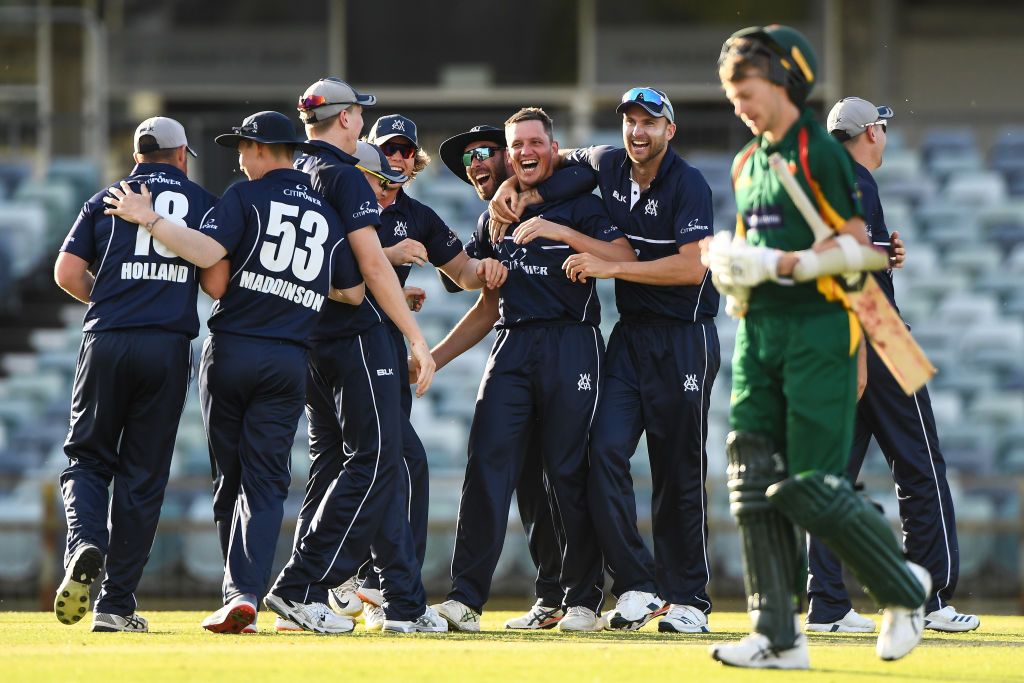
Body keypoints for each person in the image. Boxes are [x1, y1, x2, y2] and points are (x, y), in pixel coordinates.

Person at [704, 25, 931, 668]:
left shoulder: (820, 154)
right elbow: (754, 249)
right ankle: (778, 634)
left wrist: (785, 266)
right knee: (749, 475)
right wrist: (731, 270)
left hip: (819, 331)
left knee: (807, 487)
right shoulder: (747, 162)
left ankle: (901, 585)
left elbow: (859, 251)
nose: (740, 108)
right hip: (760, 334)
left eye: (746, 93)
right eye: (732, 97)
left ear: (783, 82)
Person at [104, 111, 365, 635]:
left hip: (232, 351)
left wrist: (148, 218)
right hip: (288, 360)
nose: (240, 158)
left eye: (244, 148)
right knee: (266, 483)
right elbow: (353, 292)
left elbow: (207, 256)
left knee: (231, 479)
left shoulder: (245, 195)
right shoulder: (327, 212)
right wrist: (301, 284)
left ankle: (238, 596)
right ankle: (243, 592)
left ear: (263, 149)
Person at [489, 87, 720, 634]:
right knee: (601, 454)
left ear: (670, 130)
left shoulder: (689, 183)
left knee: (677, 470)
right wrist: (509, 185)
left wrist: (610, 266)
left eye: (650, 122)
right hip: (630, 338)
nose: (638, 131)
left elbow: (692, 268)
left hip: (685, 337)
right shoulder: (607, 162)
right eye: (631, 121)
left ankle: (689, 599)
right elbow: (551, 160)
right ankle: (639, 586)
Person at [428, 107, 637, 633]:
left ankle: (582, 600)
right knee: (489, 466)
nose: (525, 152)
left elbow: (624, 255)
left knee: (566, 472)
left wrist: (561, 232)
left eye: (533, 142)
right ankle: (466, 600)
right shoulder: (492, 219)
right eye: (516, 144)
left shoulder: (580, 201)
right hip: (512, 345)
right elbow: (485, 307)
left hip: (572, 342)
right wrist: (431, 358)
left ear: (551, 148)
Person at [265, 78, 446, 635]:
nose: (363, 124)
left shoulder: (294, 172)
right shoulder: (344, 174)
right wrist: (417, 338)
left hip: (308, 339)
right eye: (359, 115)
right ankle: (304, 588)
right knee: (378, 458)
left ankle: (401, 601)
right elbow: (371, 264)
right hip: (356, 339)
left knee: (363, 462)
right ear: (345, 119)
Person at [805, 96, 979, 634]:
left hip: (833, 336)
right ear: (869, 134)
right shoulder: (858, 182)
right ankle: (926, 599)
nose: (884, 134)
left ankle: (827, 604)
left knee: (833, 476)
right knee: (921, 466)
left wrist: (886, 254)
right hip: (876, 331)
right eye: (881, 127)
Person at [331, 117, 506, 628]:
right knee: (391, 461)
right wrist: (388, 260)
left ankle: (356, 585)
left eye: (407, 151)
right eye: (389, 148)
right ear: (368, 154)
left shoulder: (418, 216)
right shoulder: (342, 197)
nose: (399, 158)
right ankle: (368, 586)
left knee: (384, 463)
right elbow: (326, 265)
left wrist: (488, 266)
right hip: (339, 347)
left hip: (381, 347)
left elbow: (465, 273)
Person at [52, 117, 216, 633]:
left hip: (108, 338)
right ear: (182, 154)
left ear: (137, 154)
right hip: (167, 346)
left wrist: (111, 300)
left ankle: (85, 543)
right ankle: (116, 604)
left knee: (86, 458)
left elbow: (67, 273)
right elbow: (216, 281)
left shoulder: (104, 198)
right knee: (142, 478)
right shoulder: (203, 203)